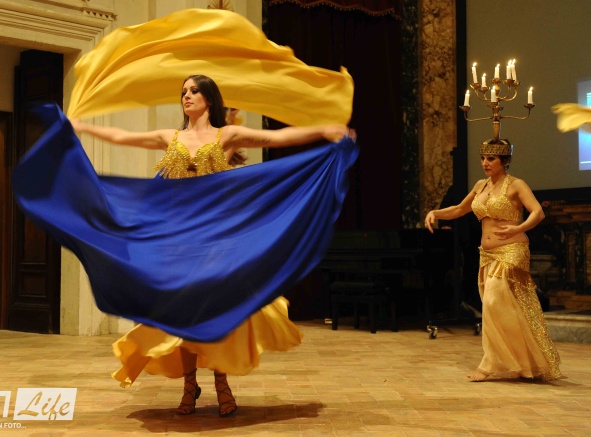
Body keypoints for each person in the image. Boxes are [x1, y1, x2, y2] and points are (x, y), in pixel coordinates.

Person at [70, 74, 355, 416]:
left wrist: (324, 130)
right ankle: (190, 385)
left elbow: (278, 137)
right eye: (183, 92)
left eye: (194, 91)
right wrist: (82, 127)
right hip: (178, 238)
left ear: (208, 98)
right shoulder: (170, 137)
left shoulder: (227, 136)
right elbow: (122, 136)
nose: (186, 96)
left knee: (217, 311)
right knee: (182, 315)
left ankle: (222, 382)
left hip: (215, 238)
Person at [424, 141, 561, 382]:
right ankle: (525, 362)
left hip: (512, 250)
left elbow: (538, 212)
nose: (485, 163)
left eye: (491, 159)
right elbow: (459, 209)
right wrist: (435, 213)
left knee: (493, 299)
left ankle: (489, 365)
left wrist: (518, 227)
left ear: (505, 161)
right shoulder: (481, 185)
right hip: (487, 254)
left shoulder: (516, 185)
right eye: (483, 158)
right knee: (501, 308)